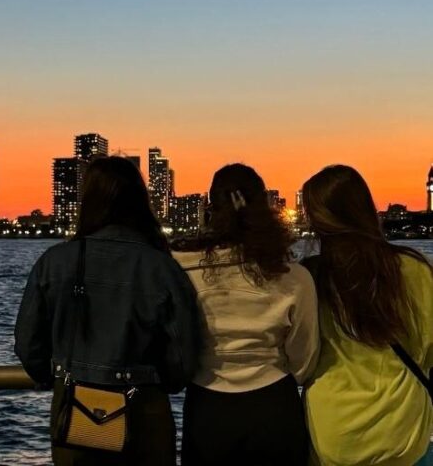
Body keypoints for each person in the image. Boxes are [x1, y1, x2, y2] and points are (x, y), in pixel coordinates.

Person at [14, 155, 202, 466]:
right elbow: (182, 356)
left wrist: (54, 377)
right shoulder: (161, 267)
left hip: (76, 405)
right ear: (139, 202)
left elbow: (27, 343)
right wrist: (162, 381)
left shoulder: (54, 262)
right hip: (144, 408)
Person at [174, 162, 319, 466]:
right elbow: (304, 360)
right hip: (273, 404)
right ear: (264, 208)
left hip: (207, 404)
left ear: (209, 208)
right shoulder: (291, 275)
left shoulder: (181, 267)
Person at [301, 164, 433, 466]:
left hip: (334, 434)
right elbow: (428, 347)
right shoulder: (414, 269)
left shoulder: (311, 277)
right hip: (404, 433)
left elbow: (300, 358)